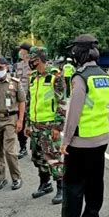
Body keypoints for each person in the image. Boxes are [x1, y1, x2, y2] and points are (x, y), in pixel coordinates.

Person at [58, 34, 109, 217]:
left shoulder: (81, 77)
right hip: (101, 138)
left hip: (80, 142)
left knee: (73, 185)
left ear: (79, 53)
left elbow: (74, 113)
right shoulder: (104, 76)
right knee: (95, 181)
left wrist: (65, 142)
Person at [24, 46, 66, 205]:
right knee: (38, 157)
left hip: (49, 126)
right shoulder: (33, 77)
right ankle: (45, 184)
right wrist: (28, 123)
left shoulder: (55, 76)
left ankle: (61, 188)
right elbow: (29, 102)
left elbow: (61, 102)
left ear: (39, 59)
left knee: (53, 158)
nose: (30, 62)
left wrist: (57, 126)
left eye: (32, 59)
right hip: (35, 125)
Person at [0, 57, 26, 191]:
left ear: (7, 68)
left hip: (10, 119)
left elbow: (22, 102)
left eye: (0, 68)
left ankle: (16, 178)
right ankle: (0, 178)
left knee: (10, 151)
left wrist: (20, 120)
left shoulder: (15, 83)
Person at [16, 43, 31, 159]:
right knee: (21, 122)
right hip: (21, 99)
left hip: (33, 99)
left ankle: (39, 148)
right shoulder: (19, 65)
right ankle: (23, 147)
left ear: (26, 51)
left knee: (35, 125)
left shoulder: (33, 64)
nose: (20, 52)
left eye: (21, 50)